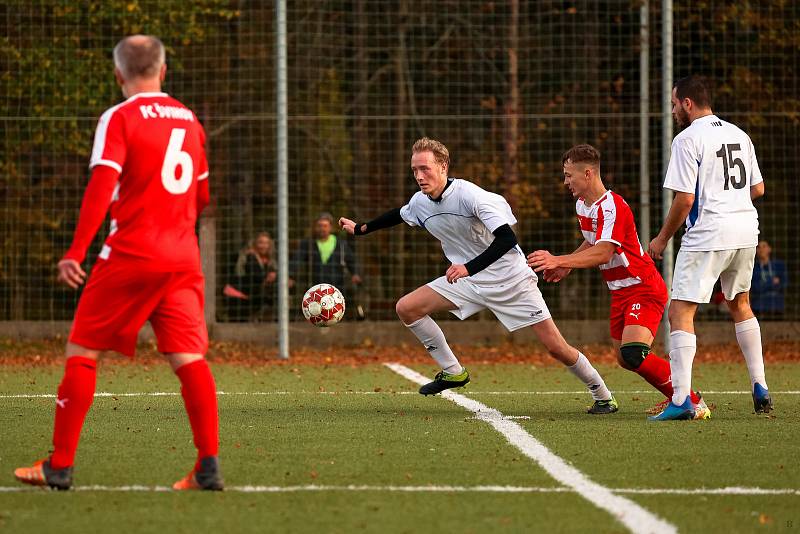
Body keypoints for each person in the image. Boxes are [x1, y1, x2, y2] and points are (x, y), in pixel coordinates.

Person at [14, 35, 223, 490]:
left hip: (131, 252)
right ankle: (208, 465)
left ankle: (60, 465)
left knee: (82, 351)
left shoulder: (119, 116)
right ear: (163, 71)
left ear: (118, 75)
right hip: (182, 257)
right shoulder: (190, 120)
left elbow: (101, 186)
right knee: (190, 358)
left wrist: (75, 252)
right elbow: (203, 195)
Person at [339, 137, 618, 413]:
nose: (420, 176)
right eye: (415, 170)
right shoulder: (420, 202)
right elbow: (399, 214)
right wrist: (361, 228)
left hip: (511, 280)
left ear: (444, 166)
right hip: (468, 281)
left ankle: (602, 394)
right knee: (407, 308)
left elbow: (507, 239)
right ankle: (453, 372)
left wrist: (467, 267)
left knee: (556, 348)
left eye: (425, 169)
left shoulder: (471, 196)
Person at [528, 145, 710, 419]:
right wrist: (567, 267)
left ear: (588, 174)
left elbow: (604, 251)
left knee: (634, 352)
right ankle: (681, 395)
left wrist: (559, 260)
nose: (565, 181)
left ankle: (689, 400)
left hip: (643, 286)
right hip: (620, 291)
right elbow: (592, 243)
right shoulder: (582, 205)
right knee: (626, 359)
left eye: (568, 175)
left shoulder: (613, 206)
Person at [647, 75, 772, 420]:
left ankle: (681, 401)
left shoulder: (687, 139)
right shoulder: (739, 134)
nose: (673, 110)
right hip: (746, 229)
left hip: (709, 233)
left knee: (680, 312)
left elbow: (685, 200)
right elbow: (758, 188)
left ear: (687, 103)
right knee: (740, 304)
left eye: (675, 104)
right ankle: (760, 386)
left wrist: (660, 240)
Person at [290, 212, 363, 314]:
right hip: (314, 288)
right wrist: (290, 276)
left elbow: (351, 261)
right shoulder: (308, 244)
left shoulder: (341, 244)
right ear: (315, 227)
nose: (322, 229)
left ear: (330, 227)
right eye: (319, 226)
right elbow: (296, 260)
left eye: (325, 226)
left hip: (336, 288)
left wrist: (355, 273)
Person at [224, 232, 277, 321]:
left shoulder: (269, 260)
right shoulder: (250, 256)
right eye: (261, 242)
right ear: (255, 244)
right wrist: (269, 277)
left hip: (252, 297)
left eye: (266, 243)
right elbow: (257, 276)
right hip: (238, 295)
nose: (263, 246)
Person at [751, 240, 788, 319]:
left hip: (777, 306)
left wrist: (763, 285)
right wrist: (771, 282)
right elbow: (755, 288)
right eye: (758, 247)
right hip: (758, 306)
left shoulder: (779, 265)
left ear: (769, 249)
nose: (761, 249)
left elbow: (784, 284)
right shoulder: (753, 268)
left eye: (764, 246)